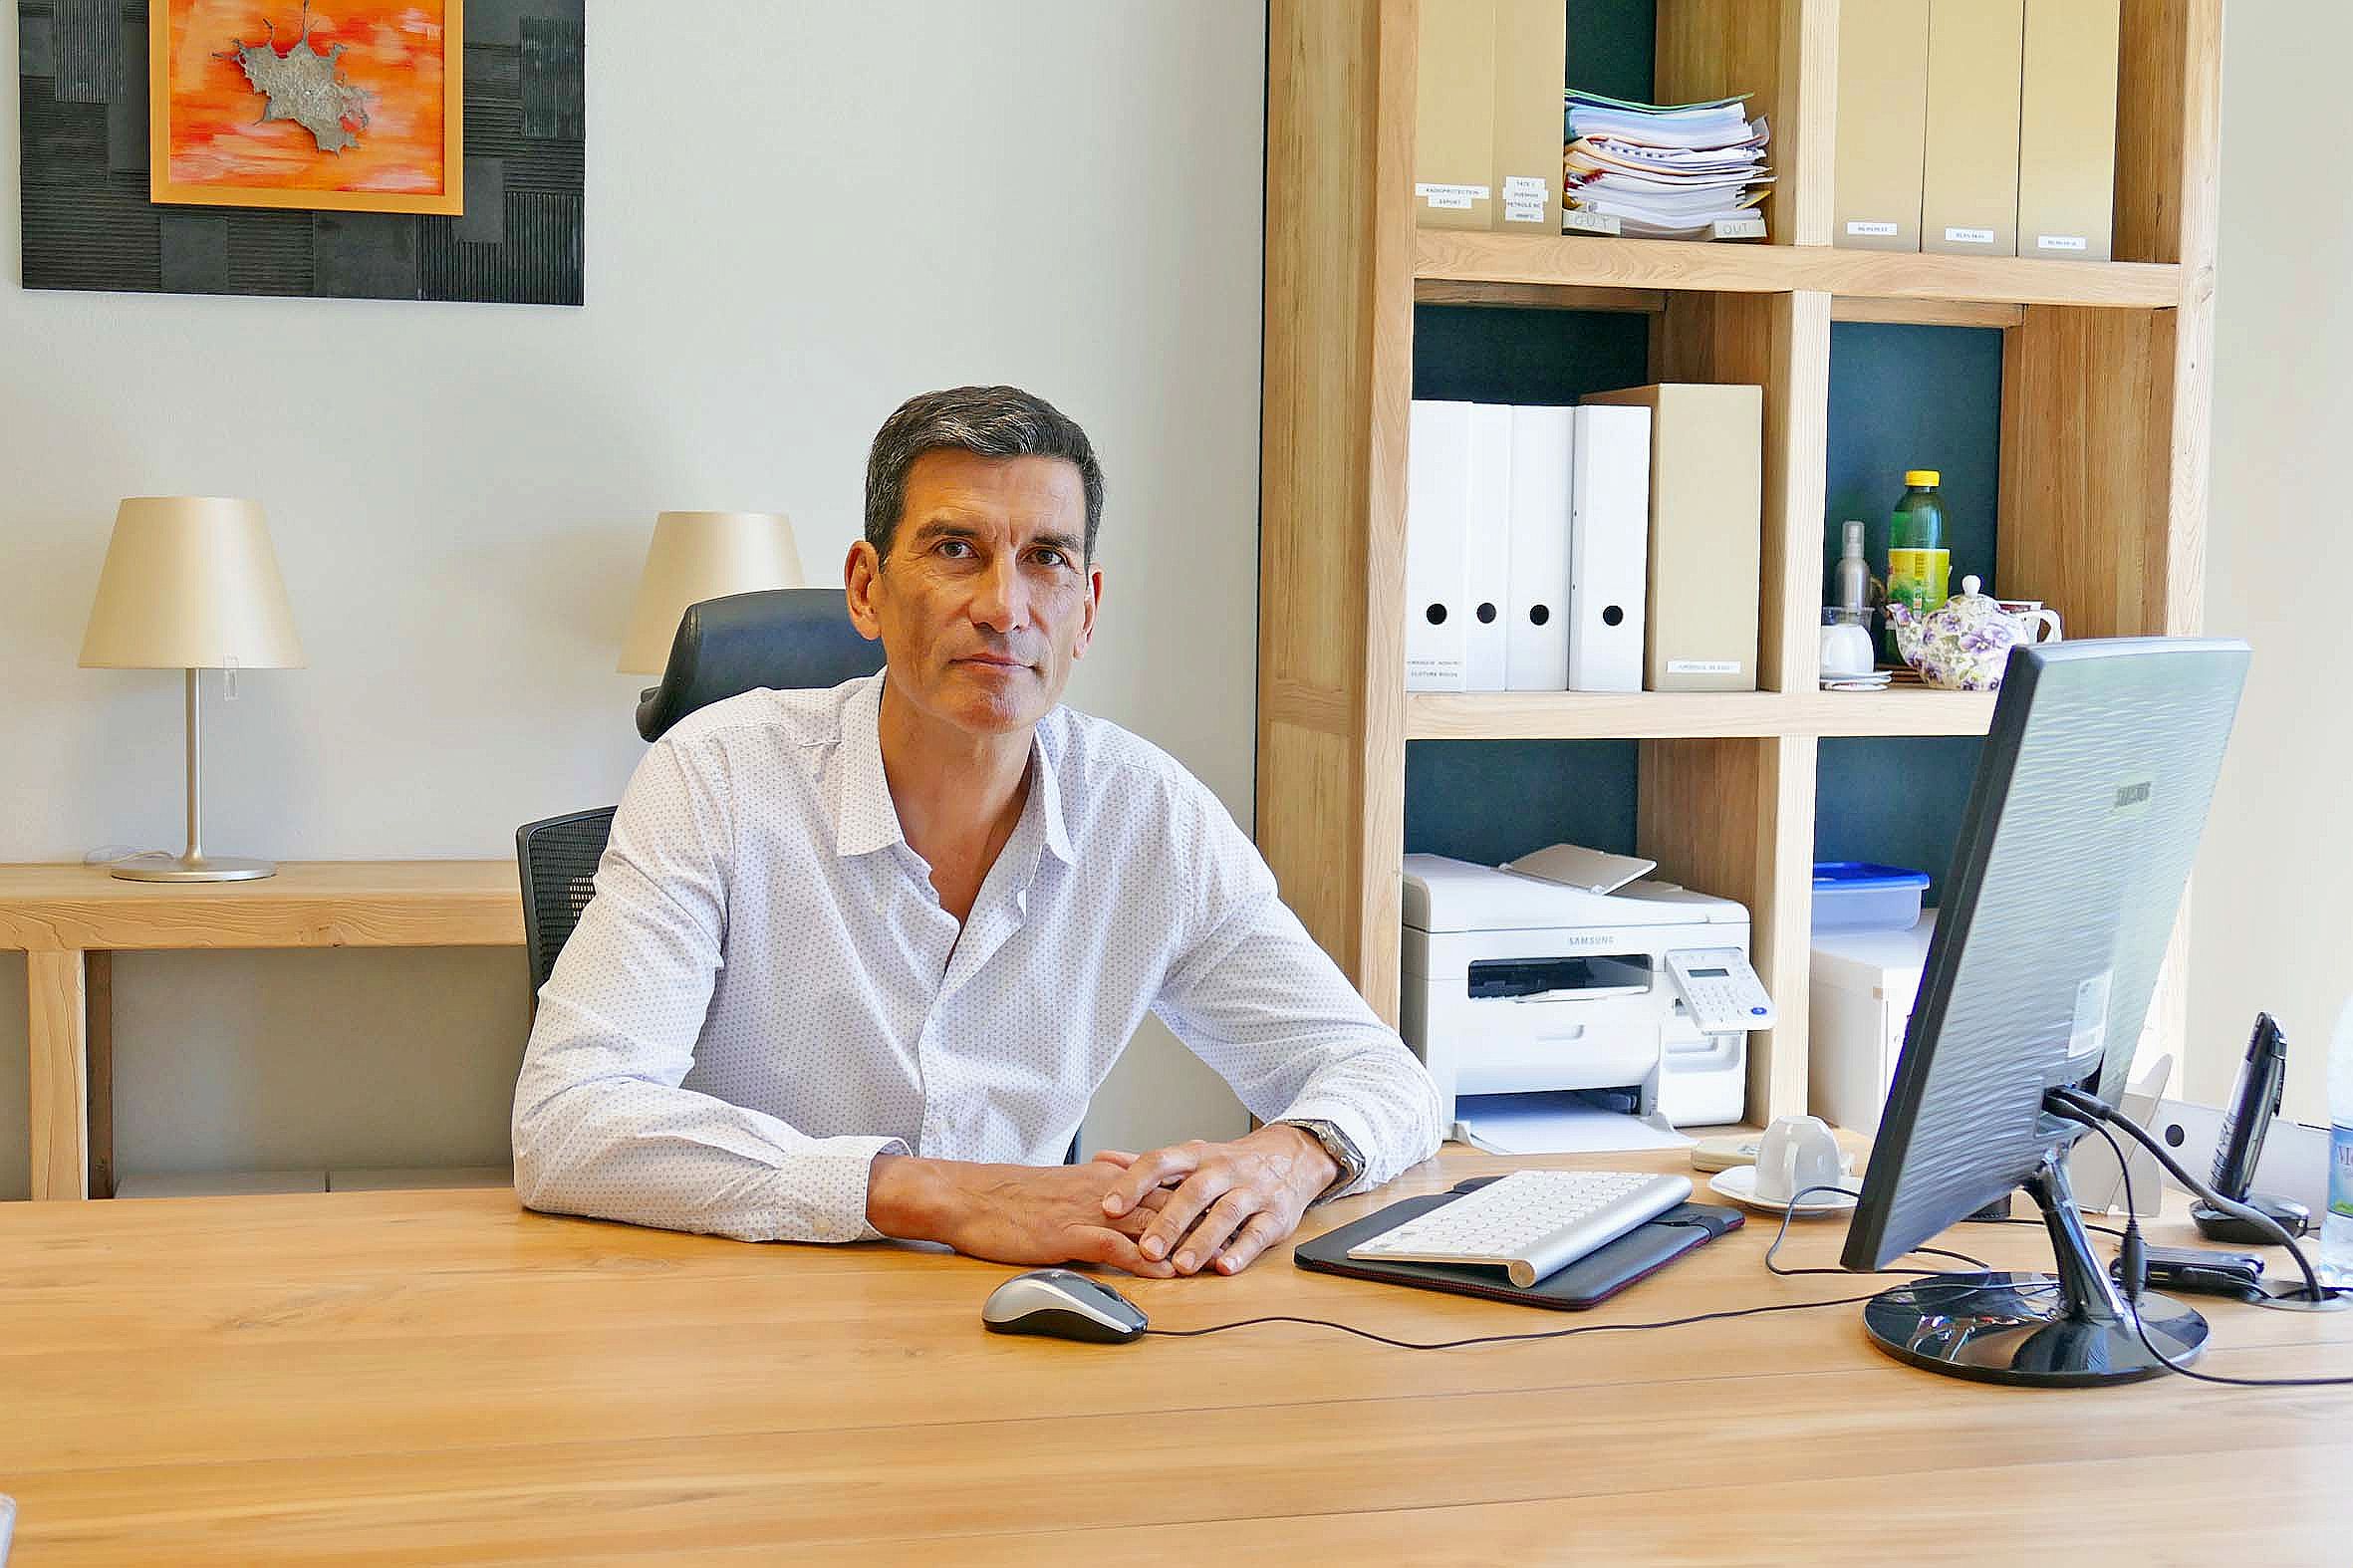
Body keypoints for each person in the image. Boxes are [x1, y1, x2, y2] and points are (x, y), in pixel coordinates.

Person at [512, 385, 1441, 1278]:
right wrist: (936, 1196)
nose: (1006, 606)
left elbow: (1383, 1077)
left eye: (1047, 558)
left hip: (1013, 1331)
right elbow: (568, 1121)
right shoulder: (717, 775)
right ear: (867, 590)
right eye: (956, 549)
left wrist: (1290, 1156)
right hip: (749, 1318)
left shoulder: (1148, 814)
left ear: (1087, 611)